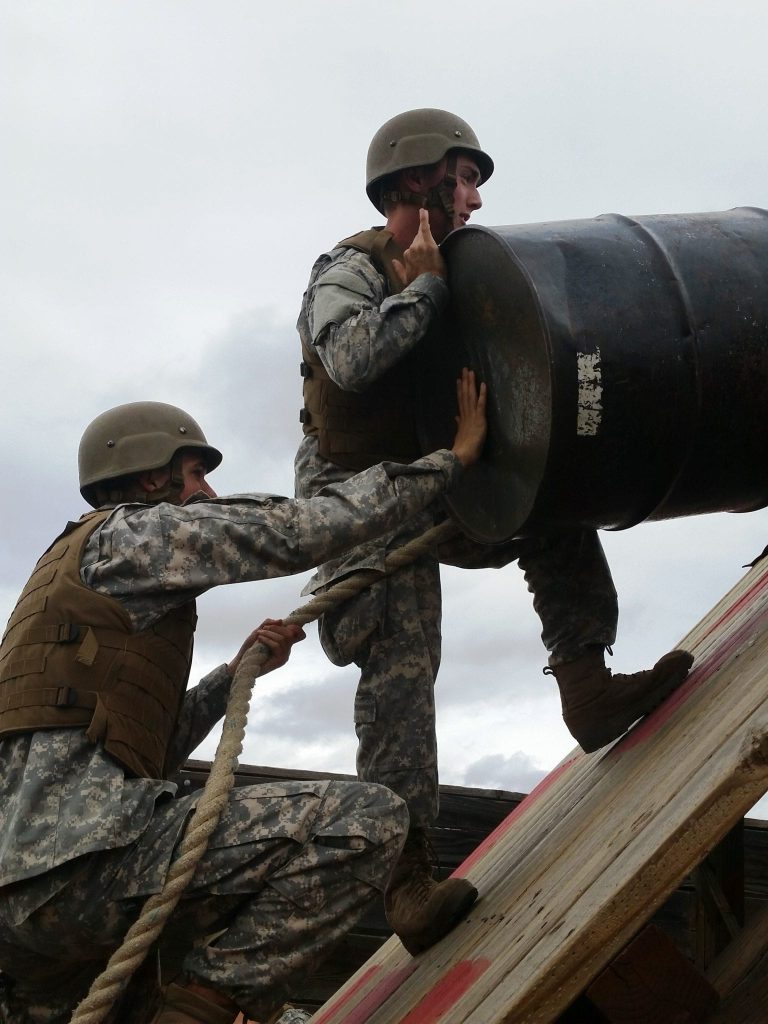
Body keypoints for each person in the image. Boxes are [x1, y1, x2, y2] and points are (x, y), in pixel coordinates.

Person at [294, 107, 693, 954]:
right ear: (416, 181)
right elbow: (352, 361)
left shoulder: (462, 271)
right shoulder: (350, 269)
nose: (474, 201)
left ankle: (586, 683)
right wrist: (426, 289)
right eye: (463, 180)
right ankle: (404, 878)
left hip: (438, 478)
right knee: (402, 654)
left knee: (553, 493)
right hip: (358, 503)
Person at [0, 384, 486, 1024]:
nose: (207, 492)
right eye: (194, 474)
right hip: (80, 870)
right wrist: (449, 462)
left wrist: (232, 674)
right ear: (151, 478)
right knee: (367, 820)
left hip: (26, 916)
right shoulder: (131, 537)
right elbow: (294, 531)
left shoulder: (59, 591)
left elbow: (141, 748)